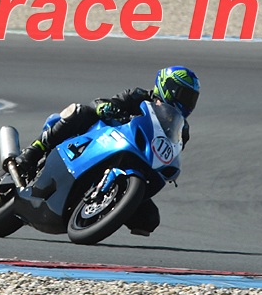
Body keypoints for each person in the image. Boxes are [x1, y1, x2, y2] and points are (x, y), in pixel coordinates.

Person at [13, 65, 200, 236]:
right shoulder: (138, 96)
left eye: (192, 99)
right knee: (80, 112)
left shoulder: (182, 129)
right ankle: (33, 152)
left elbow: (174, 149)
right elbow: (102, 102)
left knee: (149, 220)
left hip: (140, 162)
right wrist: (106, 107)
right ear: (168, 87)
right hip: (105, 139)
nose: (188, 103)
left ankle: (108, 205)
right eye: (184, 95)